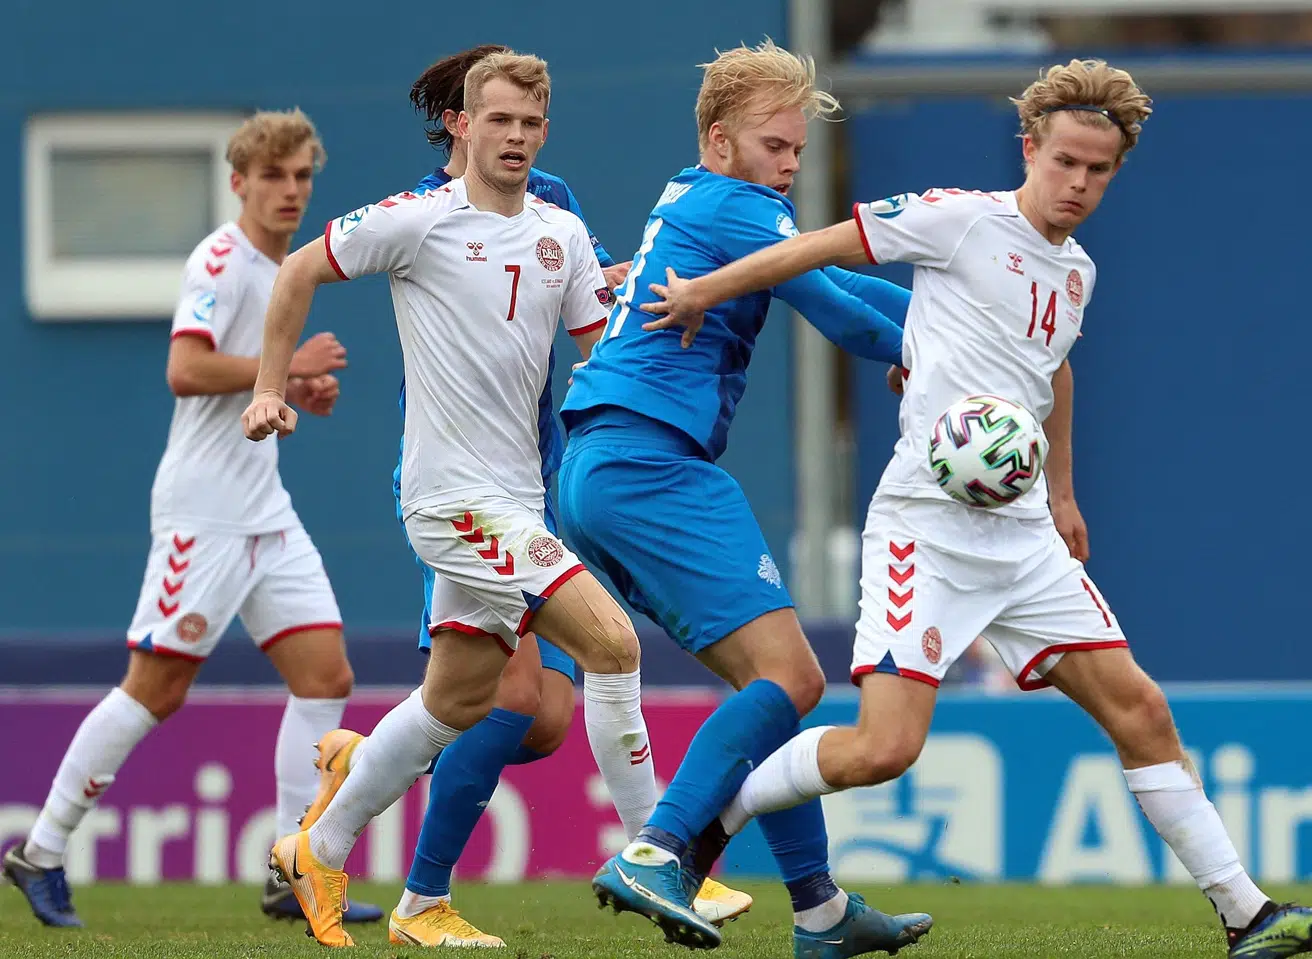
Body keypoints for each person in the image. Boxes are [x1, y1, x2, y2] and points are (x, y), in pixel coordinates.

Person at [639, 58, 1312, 959]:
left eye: (1097, 171)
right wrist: (708, 290)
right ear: (1030, 148)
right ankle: (721, 817)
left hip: (1022, 534)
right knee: (882, 750)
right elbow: (821, 246)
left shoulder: (1078, 274)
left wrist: (1061, 492)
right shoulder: (960, 218)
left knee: (1140, 709)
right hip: (928, 526)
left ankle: (1248, 916)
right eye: (1064, 161)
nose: (1078, 184)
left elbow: (1051, 369)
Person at [291, 44, 749, 947]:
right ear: (460, 123)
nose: (516, 136)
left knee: (465, 702)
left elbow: (599, 344)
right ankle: (657, 855)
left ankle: (328, 844)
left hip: (520, 496)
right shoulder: (422, 217)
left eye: (530, 122)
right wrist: (272, 385)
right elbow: (303, 269)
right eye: (497, 119)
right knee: (611, 646)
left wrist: (676, 311)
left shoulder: (558, 223)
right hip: (455, 500)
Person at [559, 39, 929, 958]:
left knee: (772, 688)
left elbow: (830, 275)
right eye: (776, 146)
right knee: (793, 679)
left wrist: (931, 330)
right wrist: (942, 358)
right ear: (721, 140)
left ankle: (820, 911)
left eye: (799, 151)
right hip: (650, 464)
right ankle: (657, 850)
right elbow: (837, 312)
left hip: (605, 467)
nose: (791, 166)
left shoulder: (704, 197)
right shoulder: (735, 203)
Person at [1, 109, 382, 927]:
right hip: (203, 511)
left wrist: (291, 391)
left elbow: (247, 382)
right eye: (272, 176)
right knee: (157, 687)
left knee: (327, 678)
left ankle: (292, 867)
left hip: (261, 507)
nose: (290, 190)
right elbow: (184, 368)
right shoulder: (221, 259)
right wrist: (288, 363)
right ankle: (40, 849)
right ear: (238, 182)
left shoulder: (284, 267)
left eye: (301, 176)